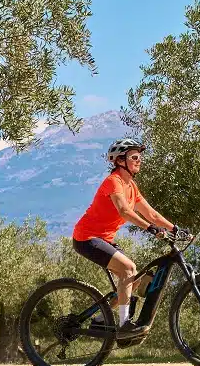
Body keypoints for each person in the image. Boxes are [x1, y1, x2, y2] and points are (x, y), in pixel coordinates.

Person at [71, 138, 176, 338]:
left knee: (133, 276)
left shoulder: (131, 186)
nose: (139, 160)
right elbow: (124, 211)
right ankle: (124, 324)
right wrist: (150, 229)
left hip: (104, 239)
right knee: (128, 269)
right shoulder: (113, 182)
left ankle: (101, 318)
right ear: (120, 161)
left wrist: (176, 229)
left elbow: (151, 214)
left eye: (140, 157)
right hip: (87, 237)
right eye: (134, 157)